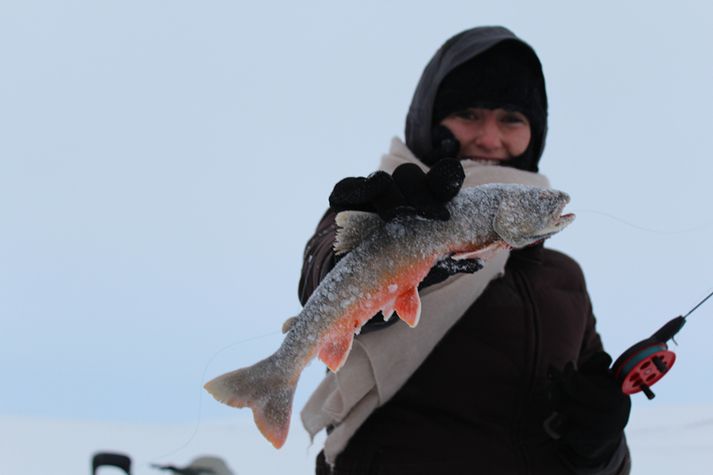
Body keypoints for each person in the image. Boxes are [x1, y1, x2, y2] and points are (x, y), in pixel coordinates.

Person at [298, 26, 631, 474]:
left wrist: (601, 445)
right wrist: (396, 245)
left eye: (512, 118)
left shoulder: (564, 277)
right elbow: (322, 277)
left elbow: (607, 462)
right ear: (428, 121)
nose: (490, 138)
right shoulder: (380, 205)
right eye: (469, 114)